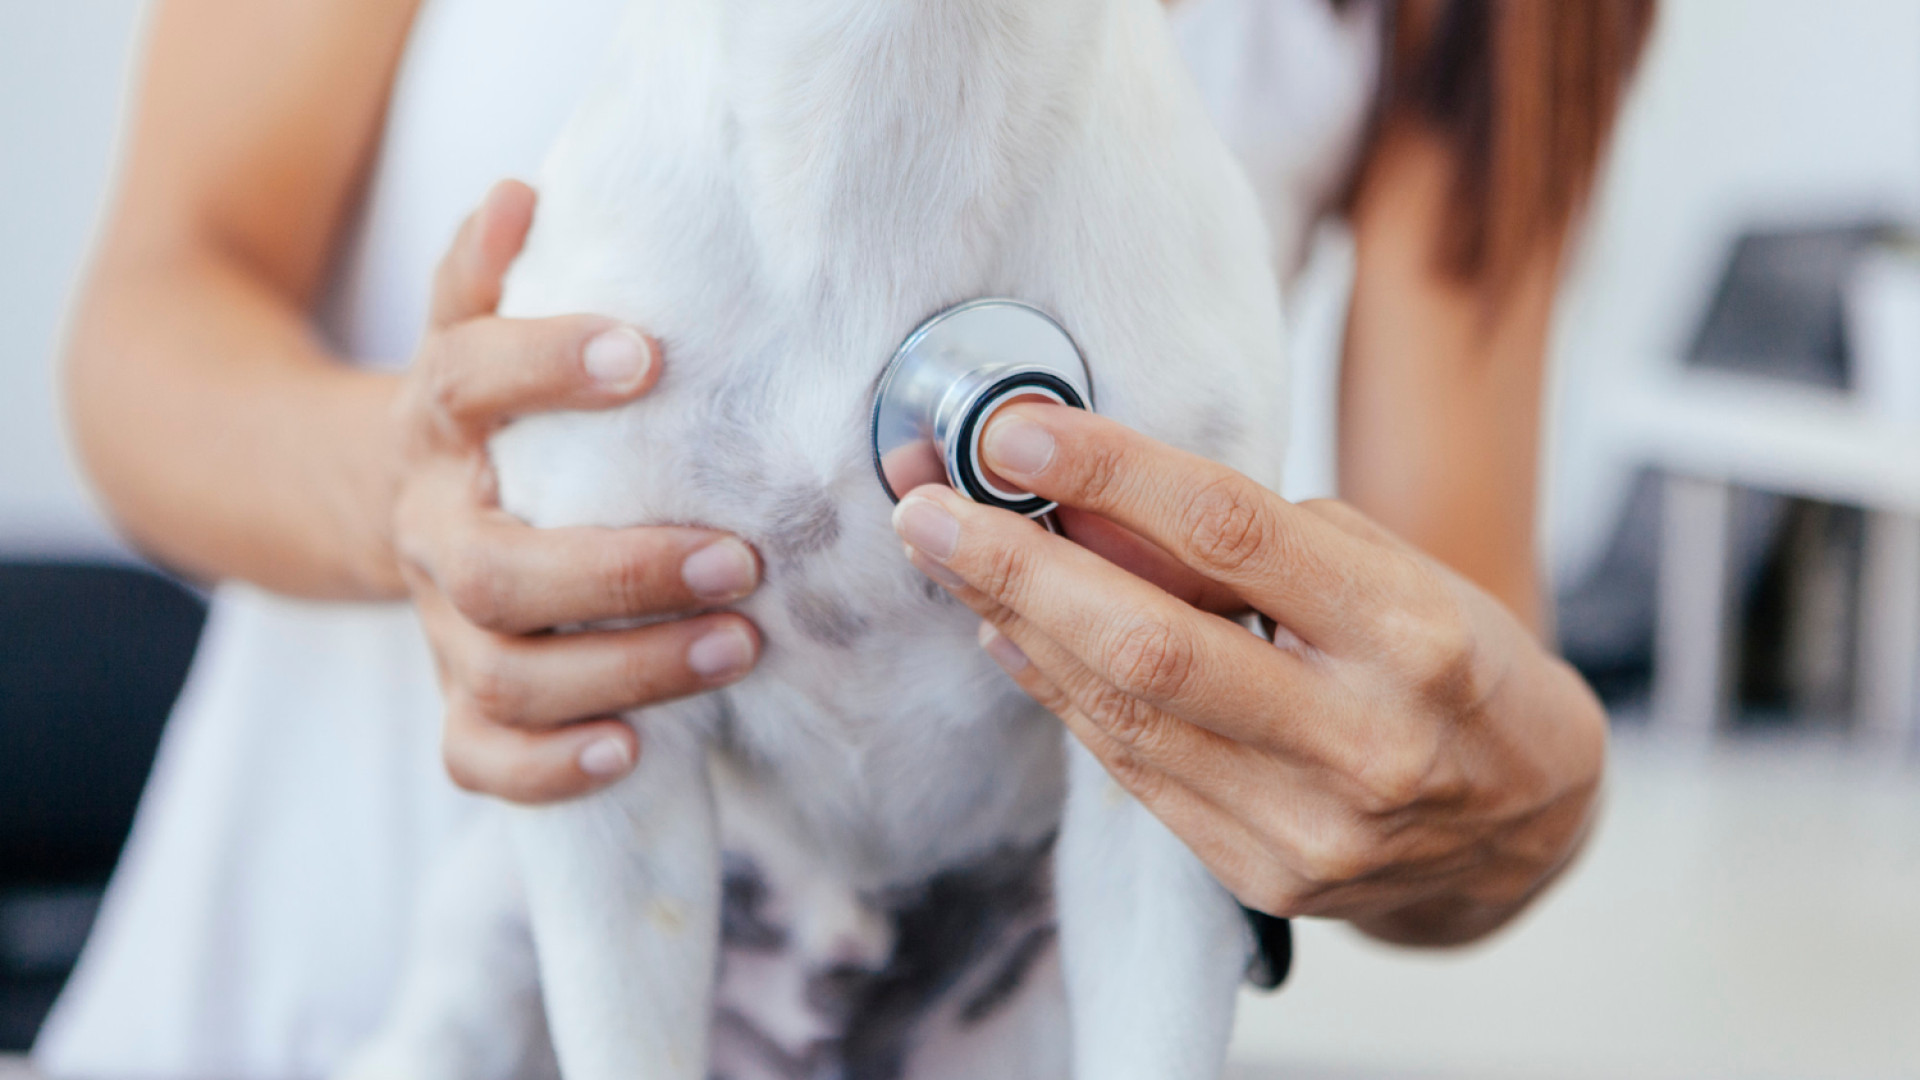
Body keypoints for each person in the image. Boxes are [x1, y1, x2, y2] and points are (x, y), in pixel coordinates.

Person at [35, 0, 1655, 1074]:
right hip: (347, 959)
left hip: (1006, 984)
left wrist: (1521, 789)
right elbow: (146, 319)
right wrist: (410, 497)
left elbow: (1429, 653)